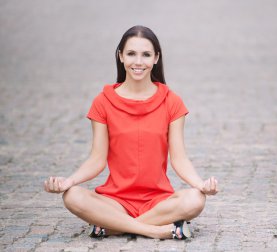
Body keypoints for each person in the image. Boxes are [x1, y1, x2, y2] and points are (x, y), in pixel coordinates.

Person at [44, 25, 218, 240]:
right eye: (131, 54)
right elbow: (97, 159)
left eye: (146, 54)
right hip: (115, 201)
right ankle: (154, 230)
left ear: (156, 58)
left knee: (195, 200)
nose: (138, 62)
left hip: (158, 201)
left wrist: (200, 184)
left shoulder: (172, 102)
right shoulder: (103, 102)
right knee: (72, 197)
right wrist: (68, 182)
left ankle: (110, 226)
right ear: (120, 56)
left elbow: (179, 158)